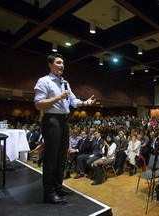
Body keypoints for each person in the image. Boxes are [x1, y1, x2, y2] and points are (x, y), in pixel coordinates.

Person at [34, 53, 96, 204]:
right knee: (51, 159)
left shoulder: (65, 83)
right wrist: (59, 97)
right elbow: (38, 104)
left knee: (62, 158)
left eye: (63, 63)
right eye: (58, 62)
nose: (62, 65)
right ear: (50, 64)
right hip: (51, 120)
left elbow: (74, 101)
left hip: (64, 121)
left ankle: (58, 187)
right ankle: (48, 193)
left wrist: (85, 103)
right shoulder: (44, 81)